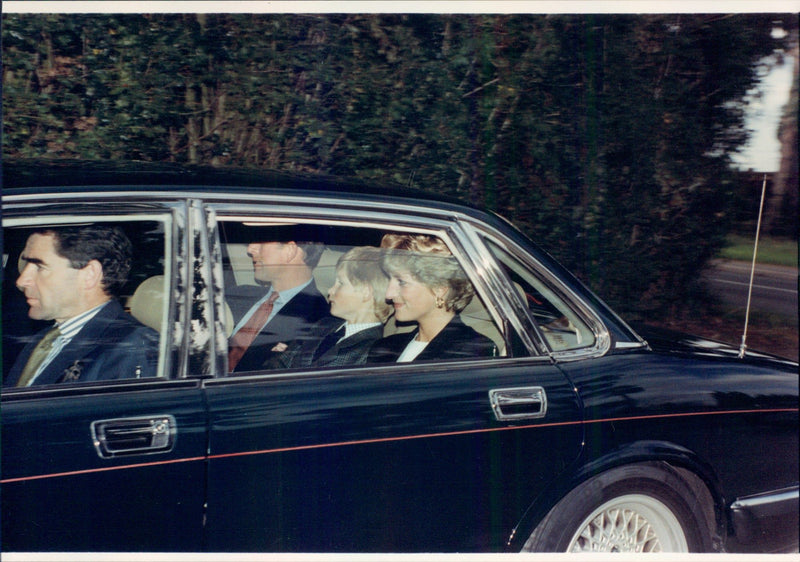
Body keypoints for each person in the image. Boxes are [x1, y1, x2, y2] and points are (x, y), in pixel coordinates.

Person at [5, 225, 159, 387]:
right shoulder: (44, 339)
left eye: (39, 267)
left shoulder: (133, 347)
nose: (21, 281)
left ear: (89, 274)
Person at [368, 233, 496, 363]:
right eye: (389, 279)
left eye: (402, 282)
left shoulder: (473, 352)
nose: (389, 294)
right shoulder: (385, 347)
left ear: (439, 289)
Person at [227, 225, 333, 372]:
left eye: (260, 241)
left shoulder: (318, 321)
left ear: (290, 251)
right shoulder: (236, 295)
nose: (250, 249)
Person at [274, 246, 392, 369]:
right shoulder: (322, 325)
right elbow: (279, 364)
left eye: (340, 283)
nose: (330, 290)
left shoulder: (372, 350)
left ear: (366, 292)